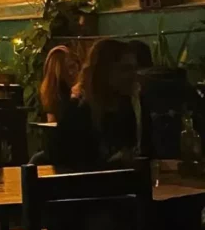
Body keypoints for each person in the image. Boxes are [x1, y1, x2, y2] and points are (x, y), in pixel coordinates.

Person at [53, 39, 150, 170]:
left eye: (134, 69)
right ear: (103, 71)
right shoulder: (78, 113)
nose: (134, 76)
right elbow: (69, 168)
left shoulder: (130, 107)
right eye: (125, 69)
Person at [39, 45, 80, 122]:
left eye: (72, 66)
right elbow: (52, 123)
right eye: (65, 70)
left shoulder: (85, 88)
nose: (70, 72)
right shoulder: (54, 93)